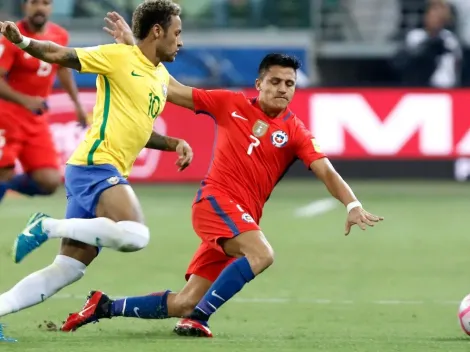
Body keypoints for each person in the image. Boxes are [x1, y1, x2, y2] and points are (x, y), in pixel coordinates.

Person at [59, 12, 384, 338]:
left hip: (242, 220)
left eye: (290, 84)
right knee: (262, 254)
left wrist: (352, 204)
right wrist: (135, 47)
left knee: (184, 301)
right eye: (275, 82)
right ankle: (200, 319)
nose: (283, 89)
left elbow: (325, 170)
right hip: (215, 203)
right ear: (259, 83)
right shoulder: (230, 103)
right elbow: (170, 88)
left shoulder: (296, 132)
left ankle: (103, 306)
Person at [0, 0, 193, 341]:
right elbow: (61, 55)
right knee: (136, 235)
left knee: (67, 270)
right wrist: (24, 43)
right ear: (158, 31)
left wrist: (173, 142)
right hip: (95, 164)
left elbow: (140, 129)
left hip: (96, 169)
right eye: (177, 33)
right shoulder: (117, 57)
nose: (181, 41)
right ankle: (46, 226)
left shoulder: (159, 75)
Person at [0, 0, 87, 202]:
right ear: (25, 6)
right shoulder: (11, 36)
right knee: (3, 169)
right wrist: (25, 100)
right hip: (7, 116)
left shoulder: (59, 35)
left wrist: (77, 104)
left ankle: (6, 184)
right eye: (34, 2)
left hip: (35, 119)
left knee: (49, 181)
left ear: (51, 7)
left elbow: (63, 68)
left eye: (45, 3)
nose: (40, 7)